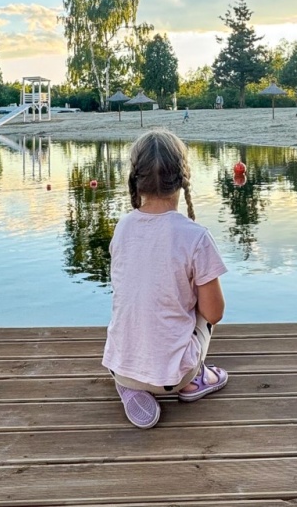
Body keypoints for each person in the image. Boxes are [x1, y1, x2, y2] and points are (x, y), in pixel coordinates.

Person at [102, 130, 228, 428]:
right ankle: (194, 379)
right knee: (203, 311)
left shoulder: (123, 227)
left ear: (136, 179)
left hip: (118, 365)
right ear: (183, 178)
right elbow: (214, 313)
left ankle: (130, 385)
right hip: (175, 378)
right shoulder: (195, 236)